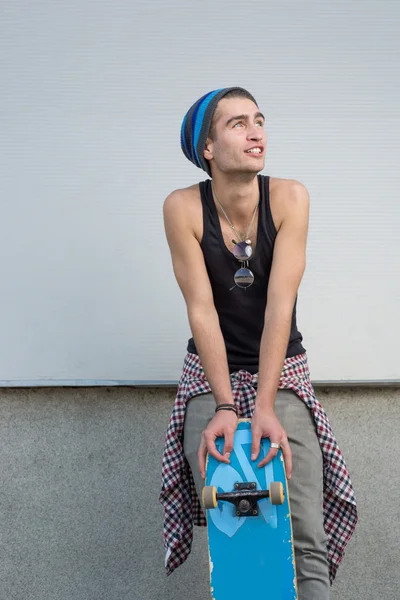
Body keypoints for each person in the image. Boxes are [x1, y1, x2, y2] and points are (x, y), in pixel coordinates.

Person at [159, 87, 357, 599]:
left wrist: (264, 403)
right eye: (237, 124)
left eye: (259, 120)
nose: (256, 132)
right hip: (209, 372)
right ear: (207, 147)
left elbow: (278, 308)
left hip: (282, 368)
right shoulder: (182, 208)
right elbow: (201, 309)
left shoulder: (290, 197)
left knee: (303, 529)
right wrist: (226, 404)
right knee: (234, 527)